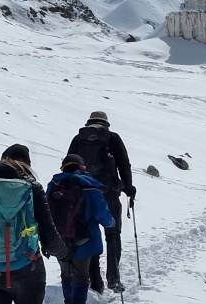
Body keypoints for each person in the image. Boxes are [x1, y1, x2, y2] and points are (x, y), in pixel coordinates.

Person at [0, 144, 68, 304]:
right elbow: (49, 234)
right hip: (29, 272)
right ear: (27, 165)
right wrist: (64, 254)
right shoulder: (33, 190)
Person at [66, 111, 134, 294]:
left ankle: (94, 280)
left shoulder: (78, 139)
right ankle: (113, 279)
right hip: (109, 192)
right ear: (106, 124)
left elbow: (68, 164)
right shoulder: (112, 138)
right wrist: (128, 187)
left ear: (89, 122)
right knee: (112, 234)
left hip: (84, 195)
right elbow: (124, 164)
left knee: (90, 234)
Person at [47, 154, 116, 304]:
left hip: (60, 240)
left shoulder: (54, 185)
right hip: (84, 240)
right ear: (82, 167)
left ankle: (68, 301)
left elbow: (46, 212)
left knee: (66, 274)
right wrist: (111, 223)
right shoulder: (89, 186)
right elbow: (102, 214)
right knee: (81, 277)